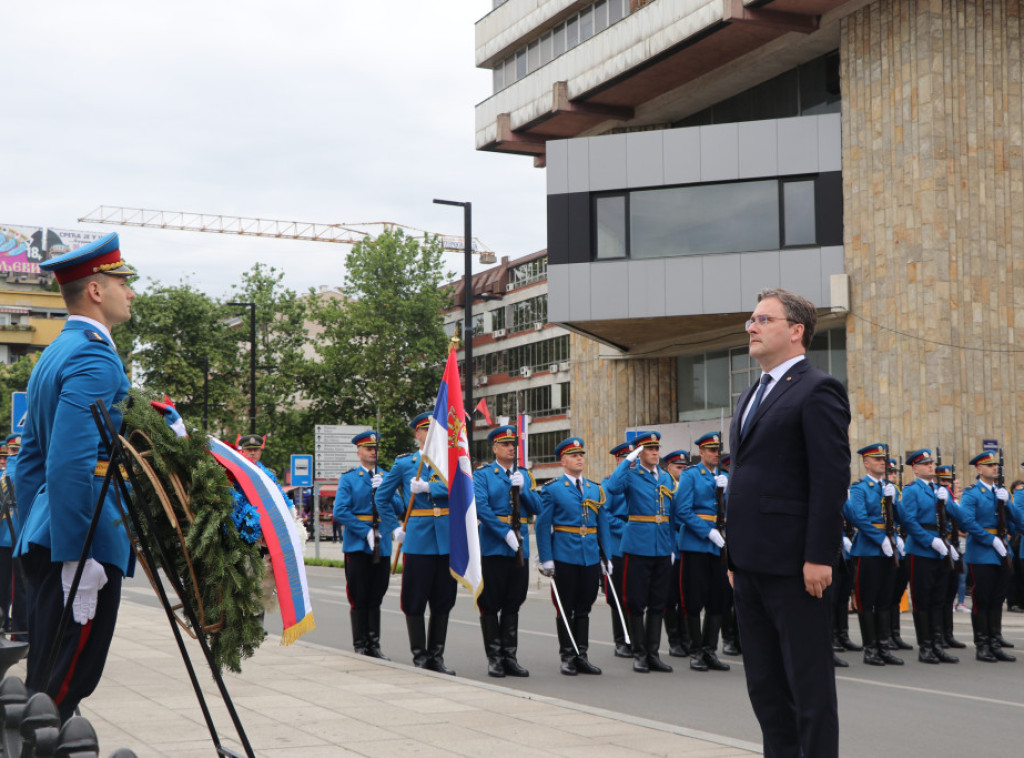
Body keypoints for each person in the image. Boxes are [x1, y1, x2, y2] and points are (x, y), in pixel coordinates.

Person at [13, 233, 136, 721]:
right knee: (63, 690)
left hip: (51, 534)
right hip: (83, 542)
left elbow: (28, 463)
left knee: (42, 684)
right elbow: (68, 462)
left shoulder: (55, 353)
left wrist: (35, 533)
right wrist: (77, 555)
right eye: (122, 281)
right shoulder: (94, 357)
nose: (130, 291)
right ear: (96, 291)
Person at [726, 287, 850, 758]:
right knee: (766, 688)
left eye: (763, 319)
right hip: (749, 565)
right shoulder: (752, 392)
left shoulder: (818, 389)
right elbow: (741, 480)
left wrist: (819, 555)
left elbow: (830, 478)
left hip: (795, 566)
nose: (751, 327)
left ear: (796, 331)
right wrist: (731, 555)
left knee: (808, 688)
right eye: (751, 320)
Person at [377, 412, 457, 675]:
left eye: (434, 431)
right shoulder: (404, 464)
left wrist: (431, 489)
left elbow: (462, 491)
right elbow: (381, 497)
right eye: (425, 430)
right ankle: (420, 656)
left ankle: (437, 656)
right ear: (417, 435)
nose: (430, 435)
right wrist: (394, 528)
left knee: (443, 600)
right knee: (415, 599)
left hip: (446, 540)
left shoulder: (451, 463)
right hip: (418, 540)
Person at [535, 437, 613, 675]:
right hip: (564, 556)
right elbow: (542, 525)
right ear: (563, 460)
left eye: (581, 455)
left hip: (589, 556)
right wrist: (546, 558)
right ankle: (567, 656)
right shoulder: (553, 489)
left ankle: (582, 655)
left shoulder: (594, 489)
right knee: (565, 607)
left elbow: (603, 526)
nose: (579, 458)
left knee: (584, 607)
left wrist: (606, 558)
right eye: (574, 455)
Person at [605, 430, 678, 674]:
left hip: (661, 546)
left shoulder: (666, 478)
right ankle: (638, 653)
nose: (655, 452)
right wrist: (628, 461)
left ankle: (653, 653)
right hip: (637, 546)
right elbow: (613, 488)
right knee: (636, 602)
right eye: (649, 449)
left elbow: (671, 514)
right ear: (639, 452)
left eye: (657, 448)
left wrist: (671, 546)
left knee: (658, 602)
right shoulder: (631, 475)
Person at [473, 424, 541, 678]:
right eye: (505, 444)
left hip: (519, 546)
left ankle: (510, 656)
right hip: (493, 545)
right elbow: (481, 507)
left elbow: (538, 507)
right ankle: (494, 657)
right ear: (494, 448)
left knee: (513, 601)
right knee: (490, 603)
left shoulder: (523, 474)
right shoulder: (483, 475)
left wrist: (523, 489)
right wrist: (504, 534)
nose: (511, 448)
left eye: (513, 444)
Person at [334, 430, 400, 659]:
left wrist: (387, 490)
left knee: (377, 594)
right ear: (359, 451)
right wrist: (364, 532)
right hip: (357, 545)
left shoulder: (386, 476)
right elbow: (340, 510)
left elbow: (401, 509)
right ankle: (360, 644)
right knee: (359, 594)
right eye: (368, 448)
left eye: (375, 448)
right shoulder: (349, 478)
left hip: (382, 542)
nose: (373, 452)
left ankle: (375, 644)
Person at [673, 432, 731, 672]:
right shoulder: (691, 475)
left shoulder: (724, 478)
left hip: (719, 544)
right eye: (711, 450)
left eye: (718, 450)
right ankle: (696, 651)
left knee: (718, 598)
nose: (716, 454)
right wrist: (707, 532)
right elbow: (682, 510)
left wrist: (725, 492)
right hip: (697, 543)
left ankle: (710, 650)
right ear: (701, 452)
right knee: (694, 599)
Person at [845, 444, 904, 666]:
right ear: (866, 463)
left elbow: (901, 518)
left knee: (885, 600)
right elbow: (859, 518)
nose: (882, 462)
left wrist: (895, 503)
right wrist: (881, 539)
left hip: (889, 548)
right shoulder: (860, 488)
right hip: (869, 549)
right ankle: (870, 649)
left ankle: (883, 646)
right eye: (877, 459)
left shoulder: (889, 488)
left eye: (883, 459)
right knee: (866, 600)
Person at [898, 449, 959, 664]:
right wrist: (930, 541)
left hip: (941, 547)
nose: (930, 466)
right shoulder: (912, 490)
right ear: (915, 469)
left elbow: (955, 518)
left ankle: (937, 644)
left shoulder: (939, 491)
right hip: (921, 550)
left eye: (931, 463)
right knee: (923, 600)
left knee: (938, 599)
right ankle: (925, 647)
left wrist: (949, 502)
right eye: (925, 464)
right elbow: (909, 521)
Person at [959, 451, 1015, 662]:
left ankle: (994, 642)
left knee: (997, 600)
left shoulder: (1001, 493)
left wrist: (1008, 504)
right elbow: (967, 521)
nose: (994, 468)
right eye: (989, 465)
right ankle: (982, 645)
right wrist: (990, 540)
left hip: (1003, 550)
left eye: (995, 465)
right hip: (983, 551)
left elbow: (1018, 522)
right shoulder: (972, 493)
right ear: (979, 469)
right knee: (982, 600)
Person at [602, 442, 633, 658]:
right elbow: (605, 513)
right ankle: (621, 640)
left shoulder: (639, 482)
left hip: (638, 545)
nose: (631, 464)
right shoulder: (609, 485)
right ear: (618, 461)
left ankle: (636, 638)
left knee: (636, 595)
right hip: (618, 545)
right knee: (619, 596)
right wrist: (627, 529)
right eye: (626, 459)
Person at [661, 448, 690, 658]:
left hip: (688, 548)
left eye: (685, 467)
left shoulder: (688, 486)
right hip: (671, 548)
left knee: (686, 597)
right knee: (670, 597)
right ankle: (674, 641)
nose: (682, 471)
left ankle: (687, 638)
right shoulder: (665, 486)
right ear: (669, 468)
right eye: (679, 467)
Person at [935, 465, 966, 650]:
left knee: (950, 591)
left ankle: (948, 634)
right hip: (939, 546)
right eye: (943, 481)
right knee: (940, 594)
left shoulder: (951, 500)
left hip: (953, 547)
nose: (947, 485)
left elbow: (963, 520)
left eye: (949, 482)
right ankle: (937, 635)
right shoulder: (934, 497)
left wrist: (952, 503)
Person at [0, 434, 26, 641]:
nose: (9, 457)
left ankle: (17, 630)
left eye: (16, 452)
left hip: (17, 535)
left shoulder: (18, 470)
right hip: (4, 536)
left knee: (20, 588)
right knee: (3, 586)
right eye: (11, 452)